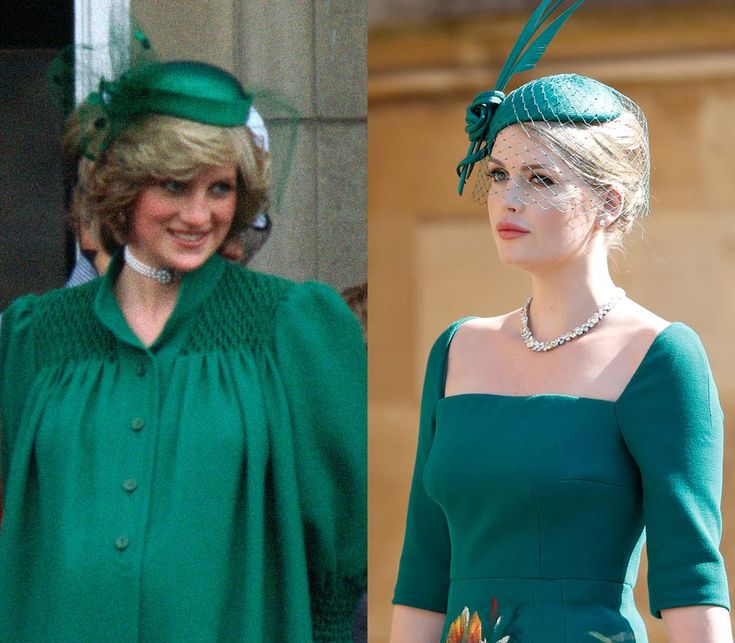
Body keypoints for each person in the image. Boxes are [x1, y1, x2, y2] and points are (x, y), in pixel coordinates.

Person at [390, 2, 731, 642]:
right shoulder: (456, 348)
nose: (509, 199)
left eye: (541, 178)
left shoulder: (660, 356)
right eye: (498, 174)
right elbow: (423, 569)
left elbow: (691, 583)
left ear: (609, 202)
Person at [0, 58, 366, 642]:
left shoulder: (290, 327)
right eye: (174, 186)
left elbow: (348, 530)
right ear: (124, 188)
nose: (200, 216)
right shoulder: (35, 336)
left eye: (219, 188)